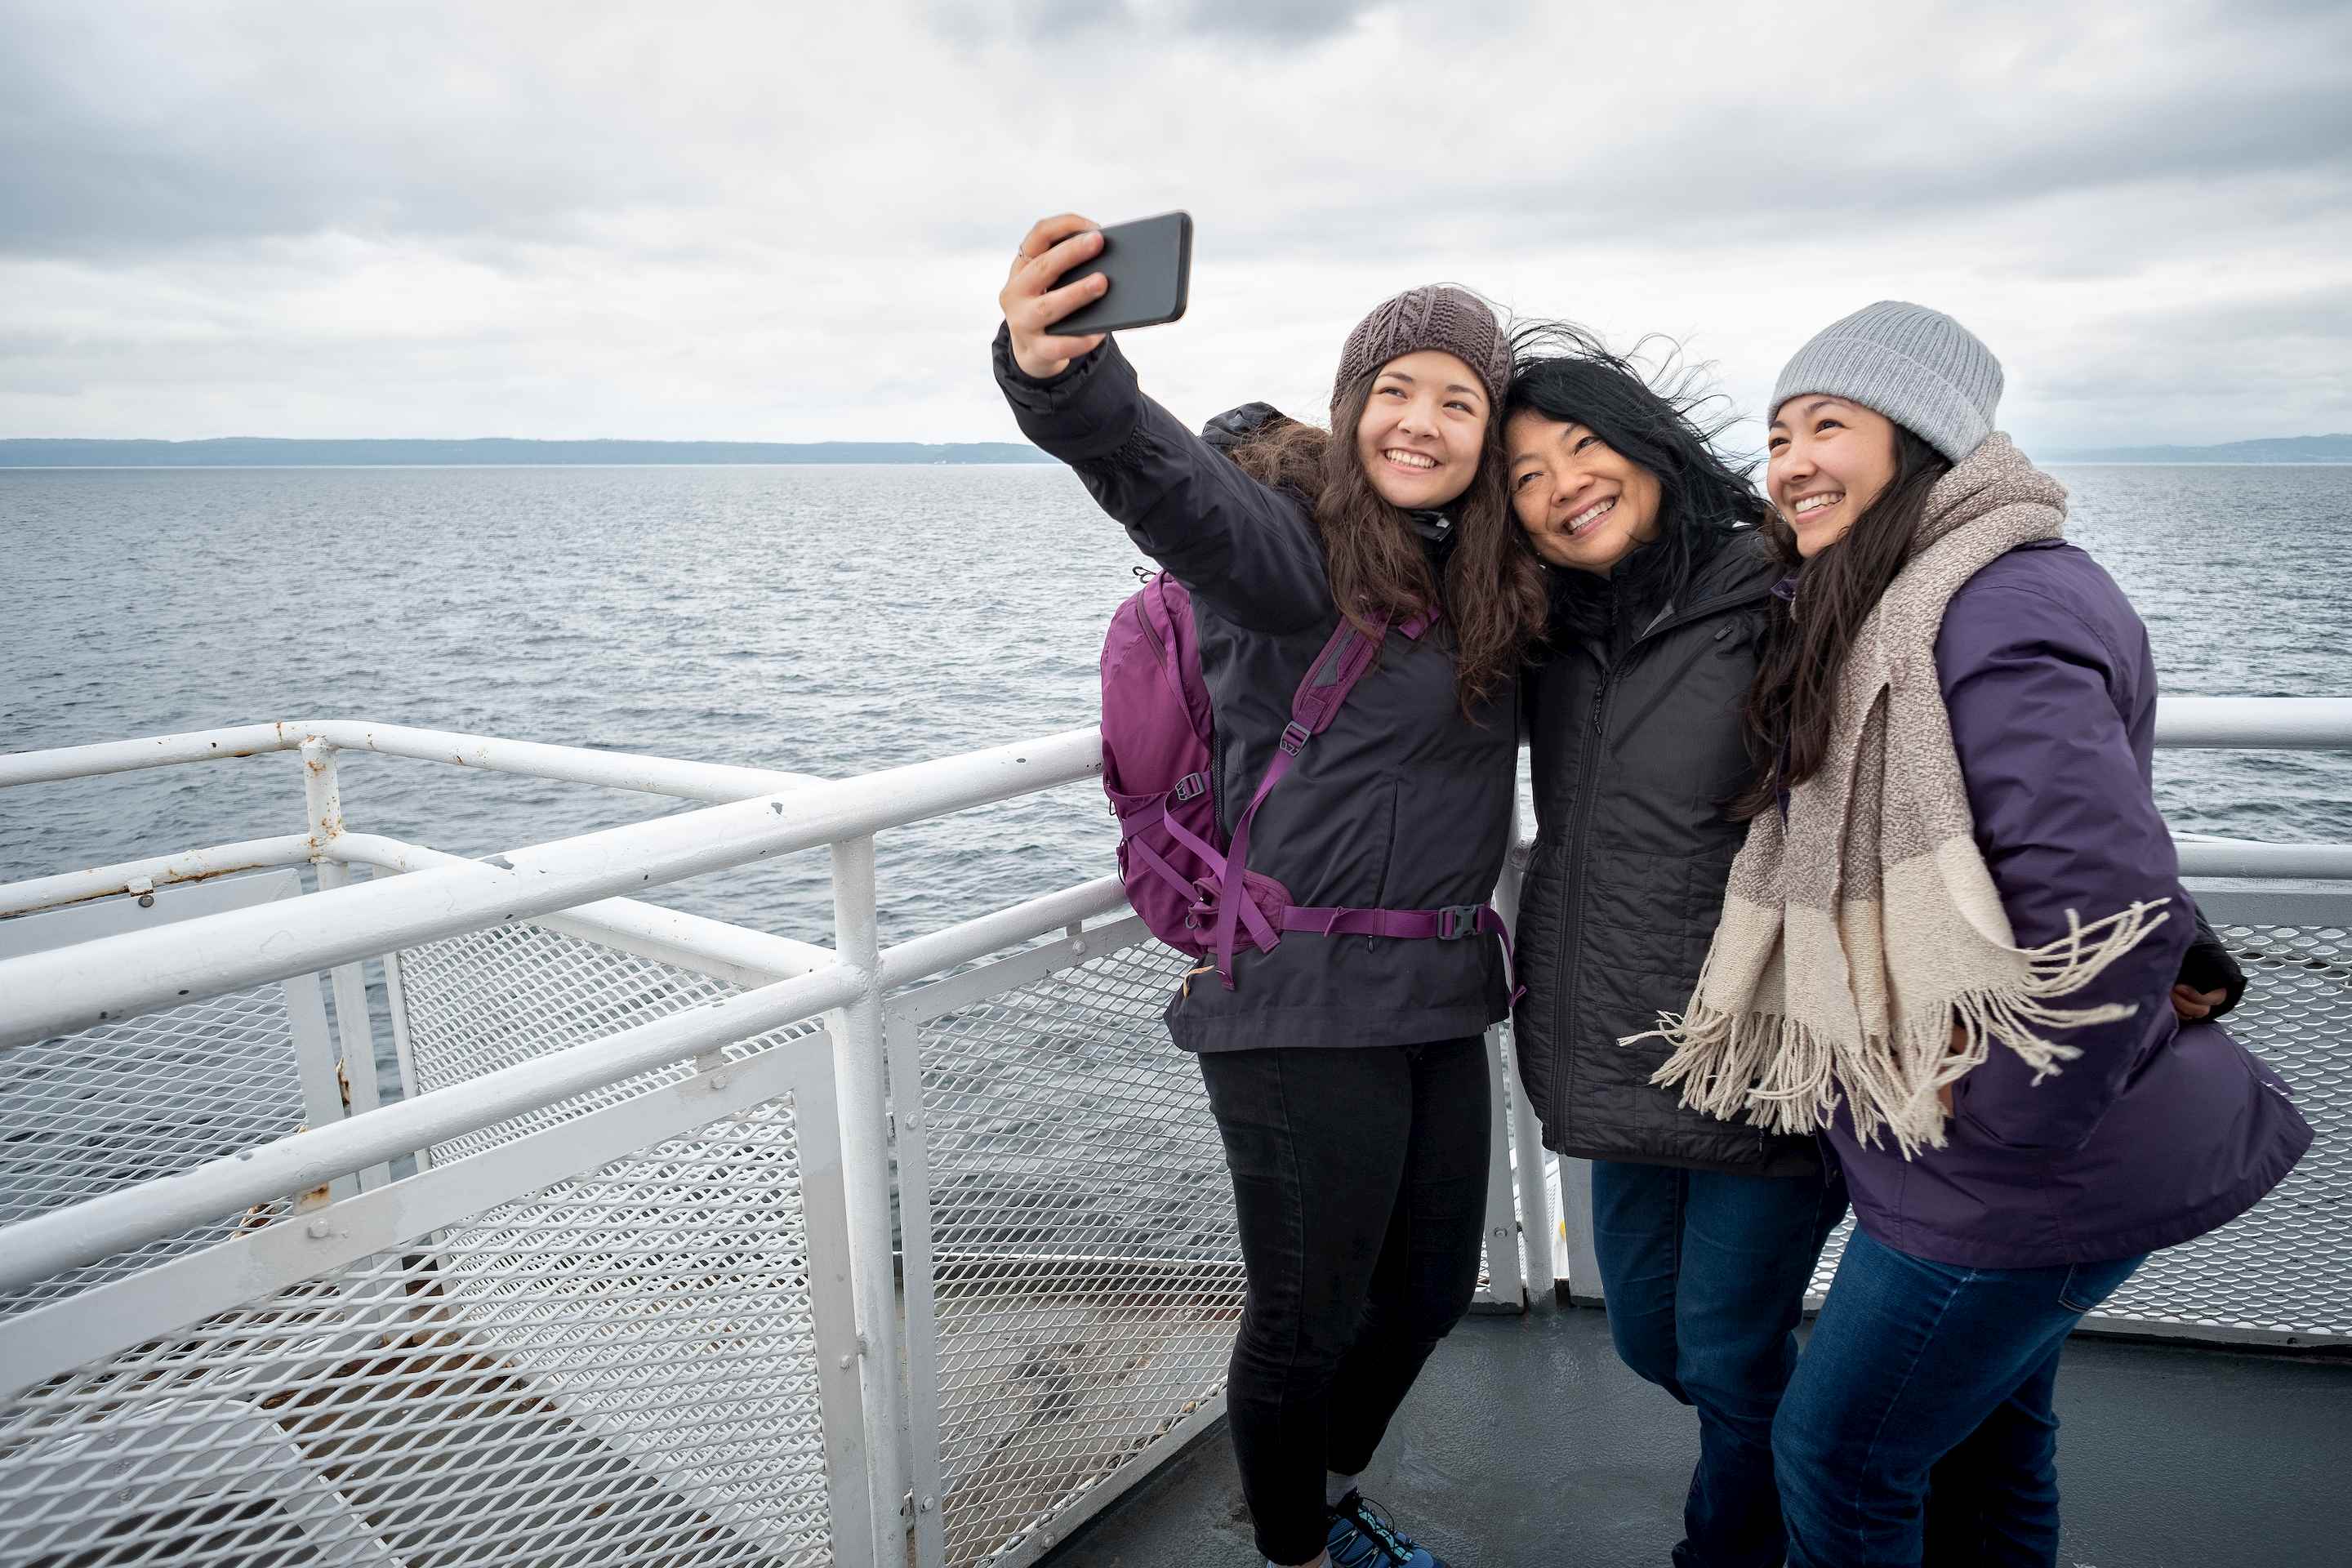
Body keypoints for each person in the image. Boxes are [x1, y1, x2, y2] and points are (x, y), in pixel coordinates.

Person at [1643, 301, 2312, 1567]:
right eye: (1778, 435)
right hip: (1972, 1148)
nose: (1791, 464)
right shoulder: (1908, 592)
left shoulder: (1993, 604)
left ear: (1922, 439)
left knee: (1835, 1458)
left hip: (2011, 1169)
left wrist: (2005, 1127)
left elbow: (2103, 901)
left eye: (1828, 426)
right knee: (1996, 1445)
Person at [994, 213, 1547, 1568]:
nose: (1422, 422)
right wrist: (1064, 378)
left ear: (1488, 434)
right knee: (1307, 1315)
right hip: (1298, 995)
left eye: (1458, 401)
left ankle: (1312, 1490)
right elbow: (1164, 481)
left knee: (1426, 1293)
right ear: (1352, 406)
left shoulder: (1487, 576)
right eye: (1397, 390)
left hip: (1437, 991)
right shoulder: (1293, 551)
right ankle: (1299, 1549)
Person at [1503, 326, 1849, 1568]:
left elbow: (1938, 751)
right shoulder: (1550, 626)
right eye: (1527, 476)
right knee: (1652, 1336)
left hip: (1765, 1037)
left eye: (1581, 446)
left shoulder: (1778, 587)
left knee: (1726, 1355)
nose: (1564, 487)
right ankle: (1850, 1461)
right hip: (1625, 1040)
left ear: (1648, 446)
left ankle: (1745, 1544)